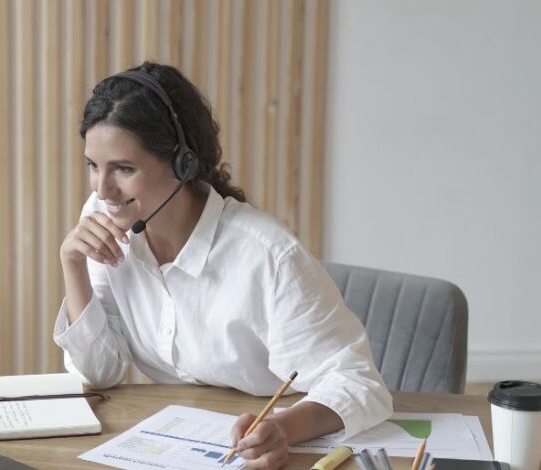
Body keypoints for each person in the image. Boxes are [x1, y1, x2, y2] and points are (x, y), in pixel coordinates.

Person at [52, 62, 393, 469]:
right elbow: (101, 373)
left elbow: (360, 385)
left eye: (123, 169)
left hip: (262, 450)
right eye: (93, 165)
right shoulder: (107, 219)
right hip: (170, 446)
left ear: (184, 165)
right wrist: (72, 265)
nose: (102, 189)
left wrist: (284, 427)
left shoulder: (268, 255)